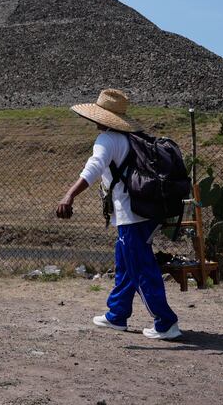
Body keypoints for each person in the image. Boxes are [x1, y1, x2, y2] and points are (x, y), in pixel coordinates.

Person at [55, 89, 181, 340]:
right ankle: (117, 314)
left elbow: (94, 167)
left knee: (141, 267)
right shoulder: (131, 138)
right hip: (143, 211)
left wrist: (69, 194)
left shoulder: (107, 140)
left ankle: (166, 322)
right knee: (125, 263)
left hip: (132, 215)